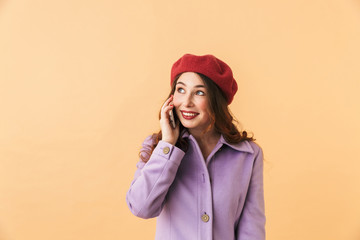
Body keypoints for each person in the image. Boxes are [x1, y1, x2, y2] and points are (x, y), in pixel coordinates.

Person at [126, 54, 266, 240]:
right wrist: (167, 145)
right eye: (181, 90)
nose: (186, 102)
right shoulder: (158, 147)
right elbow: (141, 207)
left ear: (217, 101)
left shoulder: (247, 154)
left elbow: (252, 229)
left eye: (199, 92)